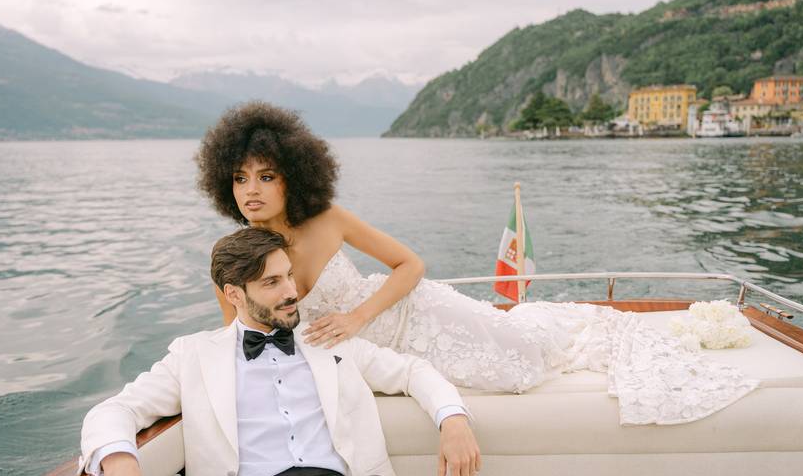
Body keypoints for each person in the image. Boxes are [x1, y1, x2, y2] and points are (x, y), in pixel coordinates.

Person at [197, 102, 759, 426]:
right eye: (241, 177)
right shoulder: (243, 256)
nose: (251, 189)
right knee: (515, 367)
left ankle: (586, 327)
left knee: (525, 359)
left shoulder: (328, 218)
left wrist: (357, 318)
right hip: (379, 358)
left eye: (266, 175)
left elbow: (410, 265)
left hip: (415, 316)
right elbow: (239, 335)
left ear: (292, 173)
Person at [76, 228, 480, 476]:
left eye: (289, 275)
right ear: (234, 293)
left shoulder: (328, 340)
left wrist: (453, 419)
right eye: (272, 282)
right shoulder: (194, 356)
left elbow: (412, 371)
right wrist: (121, 463)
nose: (291, 291)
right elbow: (116, 410)